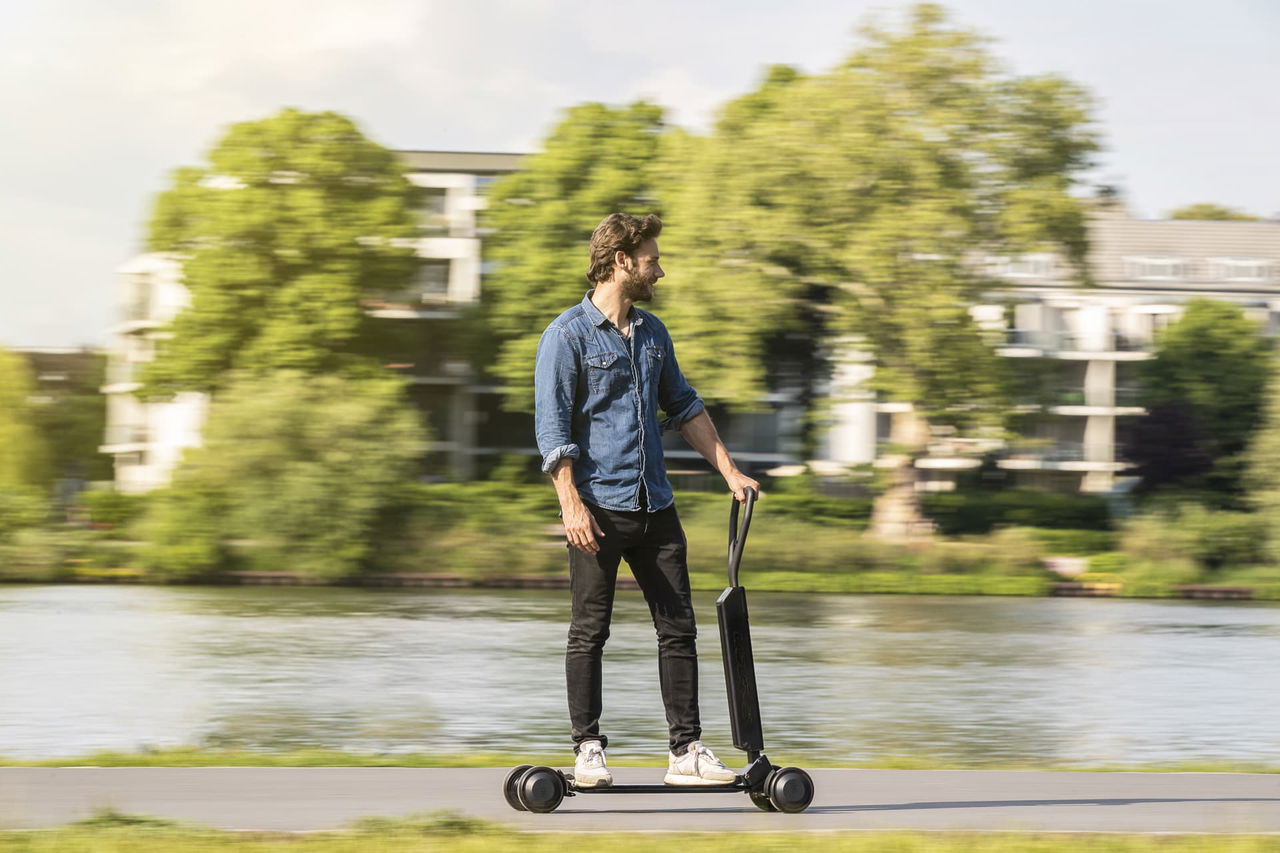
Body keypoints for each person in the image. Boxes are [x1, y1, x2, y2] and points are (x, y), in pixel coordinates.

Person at [534, 212, 761, 788]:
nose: (660, 268)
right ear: (622, 262)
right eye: (653, 259)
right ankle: (587, 749)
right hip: (597, 508)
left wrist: (730, 471)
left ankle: (685, 752)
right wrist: (571, 506)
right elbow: (553, 431)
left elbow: (684, 406)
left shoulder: (655, 333)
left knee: (678, 627)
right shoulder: (566, 336)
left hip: (654, 503)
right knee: (590, 630)